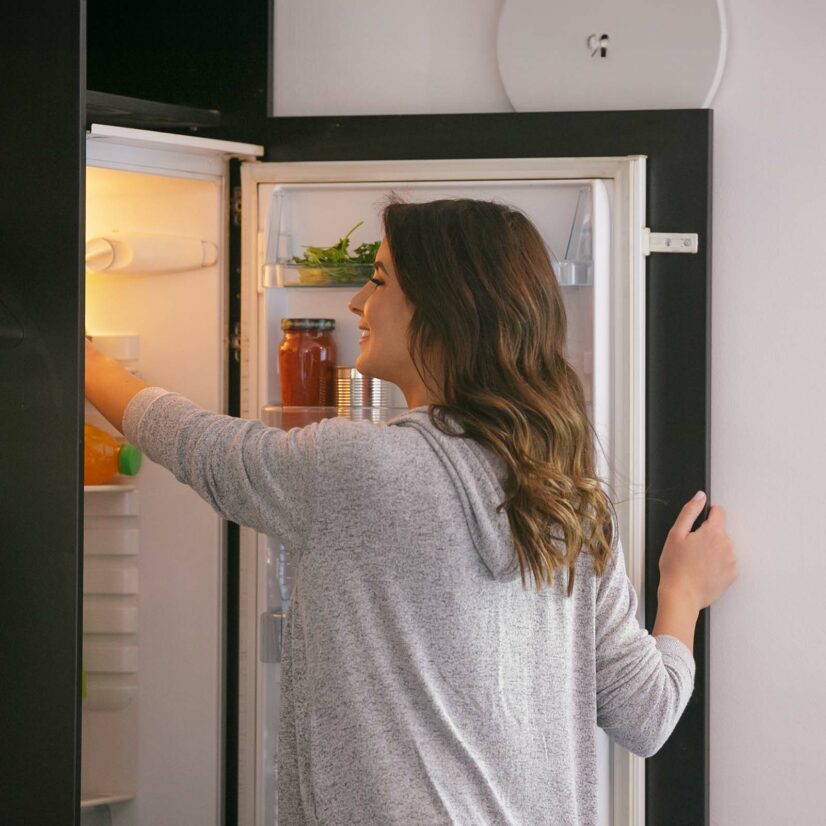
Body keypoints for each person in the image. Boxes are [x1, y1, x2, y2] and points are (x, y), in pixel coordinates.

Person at [85, 197, 736, 825]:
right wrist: (682, 590)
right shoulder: (565, 492)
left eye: (378, 280)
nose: (357, 302)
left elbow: (207, 449)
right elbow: (645, 715)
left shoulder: (364, 467)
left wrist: (85, 360)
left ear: (444, 309)